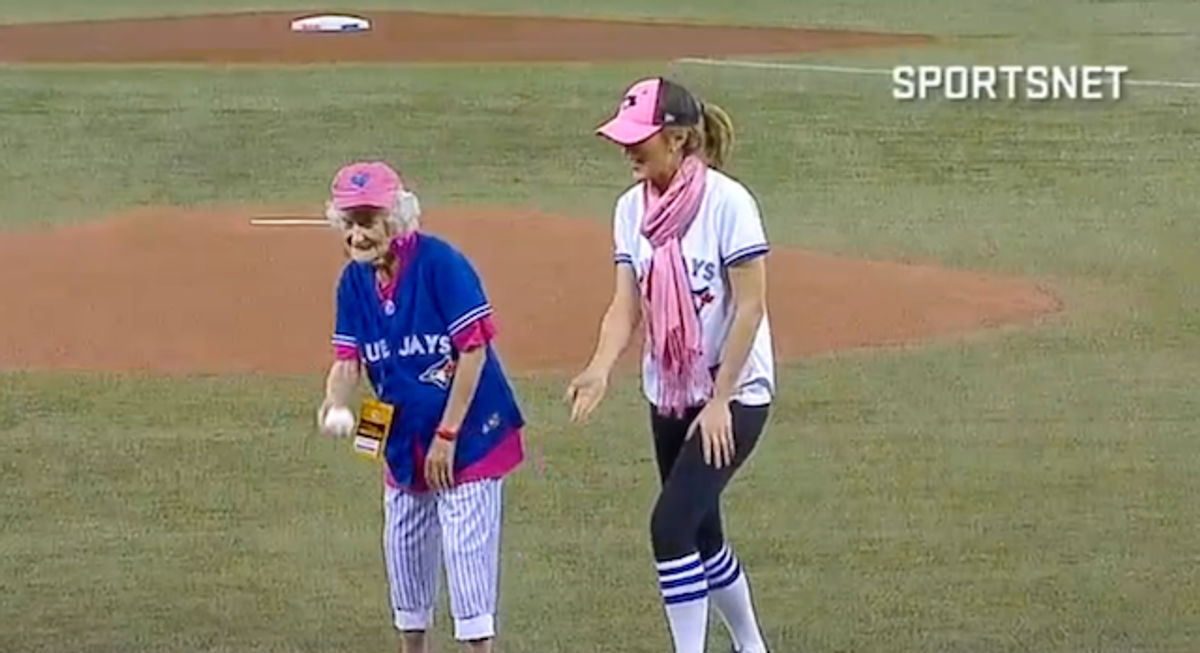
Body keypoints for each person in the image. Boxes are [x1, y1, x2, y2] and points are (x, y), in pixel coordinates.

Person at [566, 77, 775, 653]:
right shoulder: (629, 209)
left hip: (736, 394)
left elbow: (751, 306)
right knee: (702, 530)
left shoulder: (729, 204)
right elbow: (625, 304)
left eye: (641, 139)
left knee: (670, 527)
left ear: (679, 139)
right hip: (670, 391)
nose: (628, 150)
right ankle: (752, 647)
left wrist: (720, 400)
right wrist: (600, 367)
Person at [316, 160, 525, 653]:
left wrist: (447, 437)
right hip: (402, 433)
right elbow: (349, 360)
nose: (358, 234)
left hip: (469, 434)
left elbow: (473, 349)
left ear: (398, 217)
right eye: (349, 222)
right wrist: (333, 401)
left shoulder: (441, 264)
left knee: (466, 554)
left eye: (368, 220)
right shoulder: (353, 283)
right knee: (403, 548)